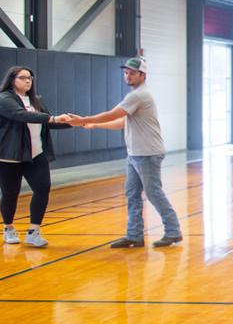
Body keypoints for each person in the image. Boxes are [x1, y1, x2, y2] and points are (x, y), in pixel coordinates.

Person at [70, 57, 182, 249]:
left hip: (147, 153)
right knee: (132, 193)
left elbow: (113, 114)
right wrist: (94, 124)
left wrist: (82, 120)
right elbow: (121, 122)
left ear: (142, 75)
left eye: (132, 72)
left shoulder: (138, 95)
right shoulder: (135, 96)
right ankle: (134, 235)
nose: (127, 75)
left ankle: (173, 231)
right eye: (126, 72)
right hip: (135, 153)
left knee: (153, 192)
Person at [0, 66, 75, 247]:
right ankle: (8, 228)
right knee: (10, 193)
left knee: (43, 189)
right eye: (23, 77)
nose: (28, 81)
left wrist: (75, 122)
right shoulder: (3, 100)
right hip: (8, 155)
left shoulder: (36, 100)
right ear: (12, 80)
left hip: (35, 154)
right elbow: (22, 116)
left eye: (30, 78)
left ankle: (34, 231)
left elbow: (47, 121)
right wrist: (54, 118)